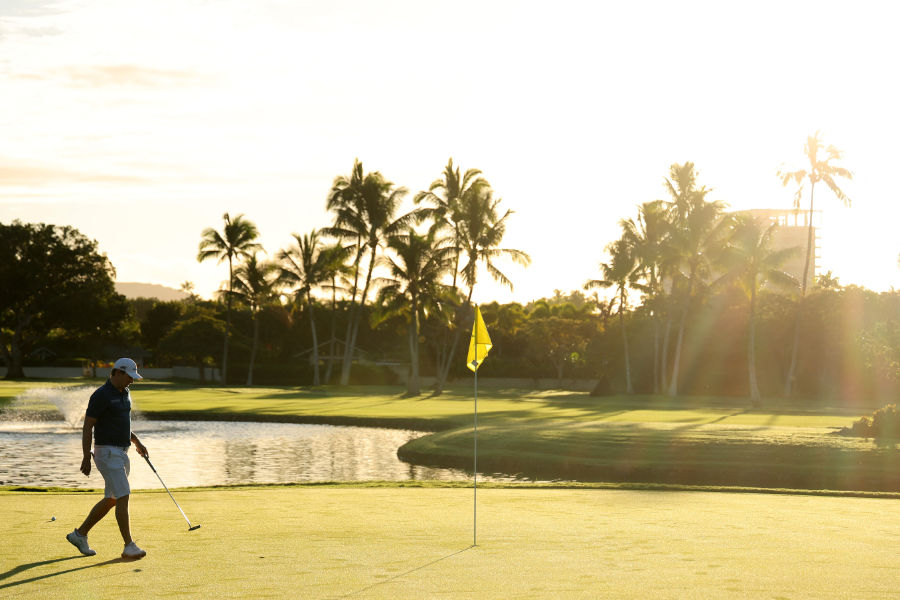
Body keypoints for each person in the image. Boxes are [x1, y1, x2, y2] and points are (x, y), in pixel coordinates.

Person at [66, 358, 149, 560]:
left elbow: (122, 424)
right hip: (107, 452)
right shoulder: (101, 395)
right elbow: (88, 427)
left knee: (112, 498)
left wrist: (137, 441)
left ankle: (80, 534)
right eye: (129, 377)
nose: (132, 381)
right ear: (117, 373)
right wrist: (86, 457)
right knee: (123, 495)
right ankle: (129, 545)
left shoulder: (125, 393)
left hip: (122, 452)